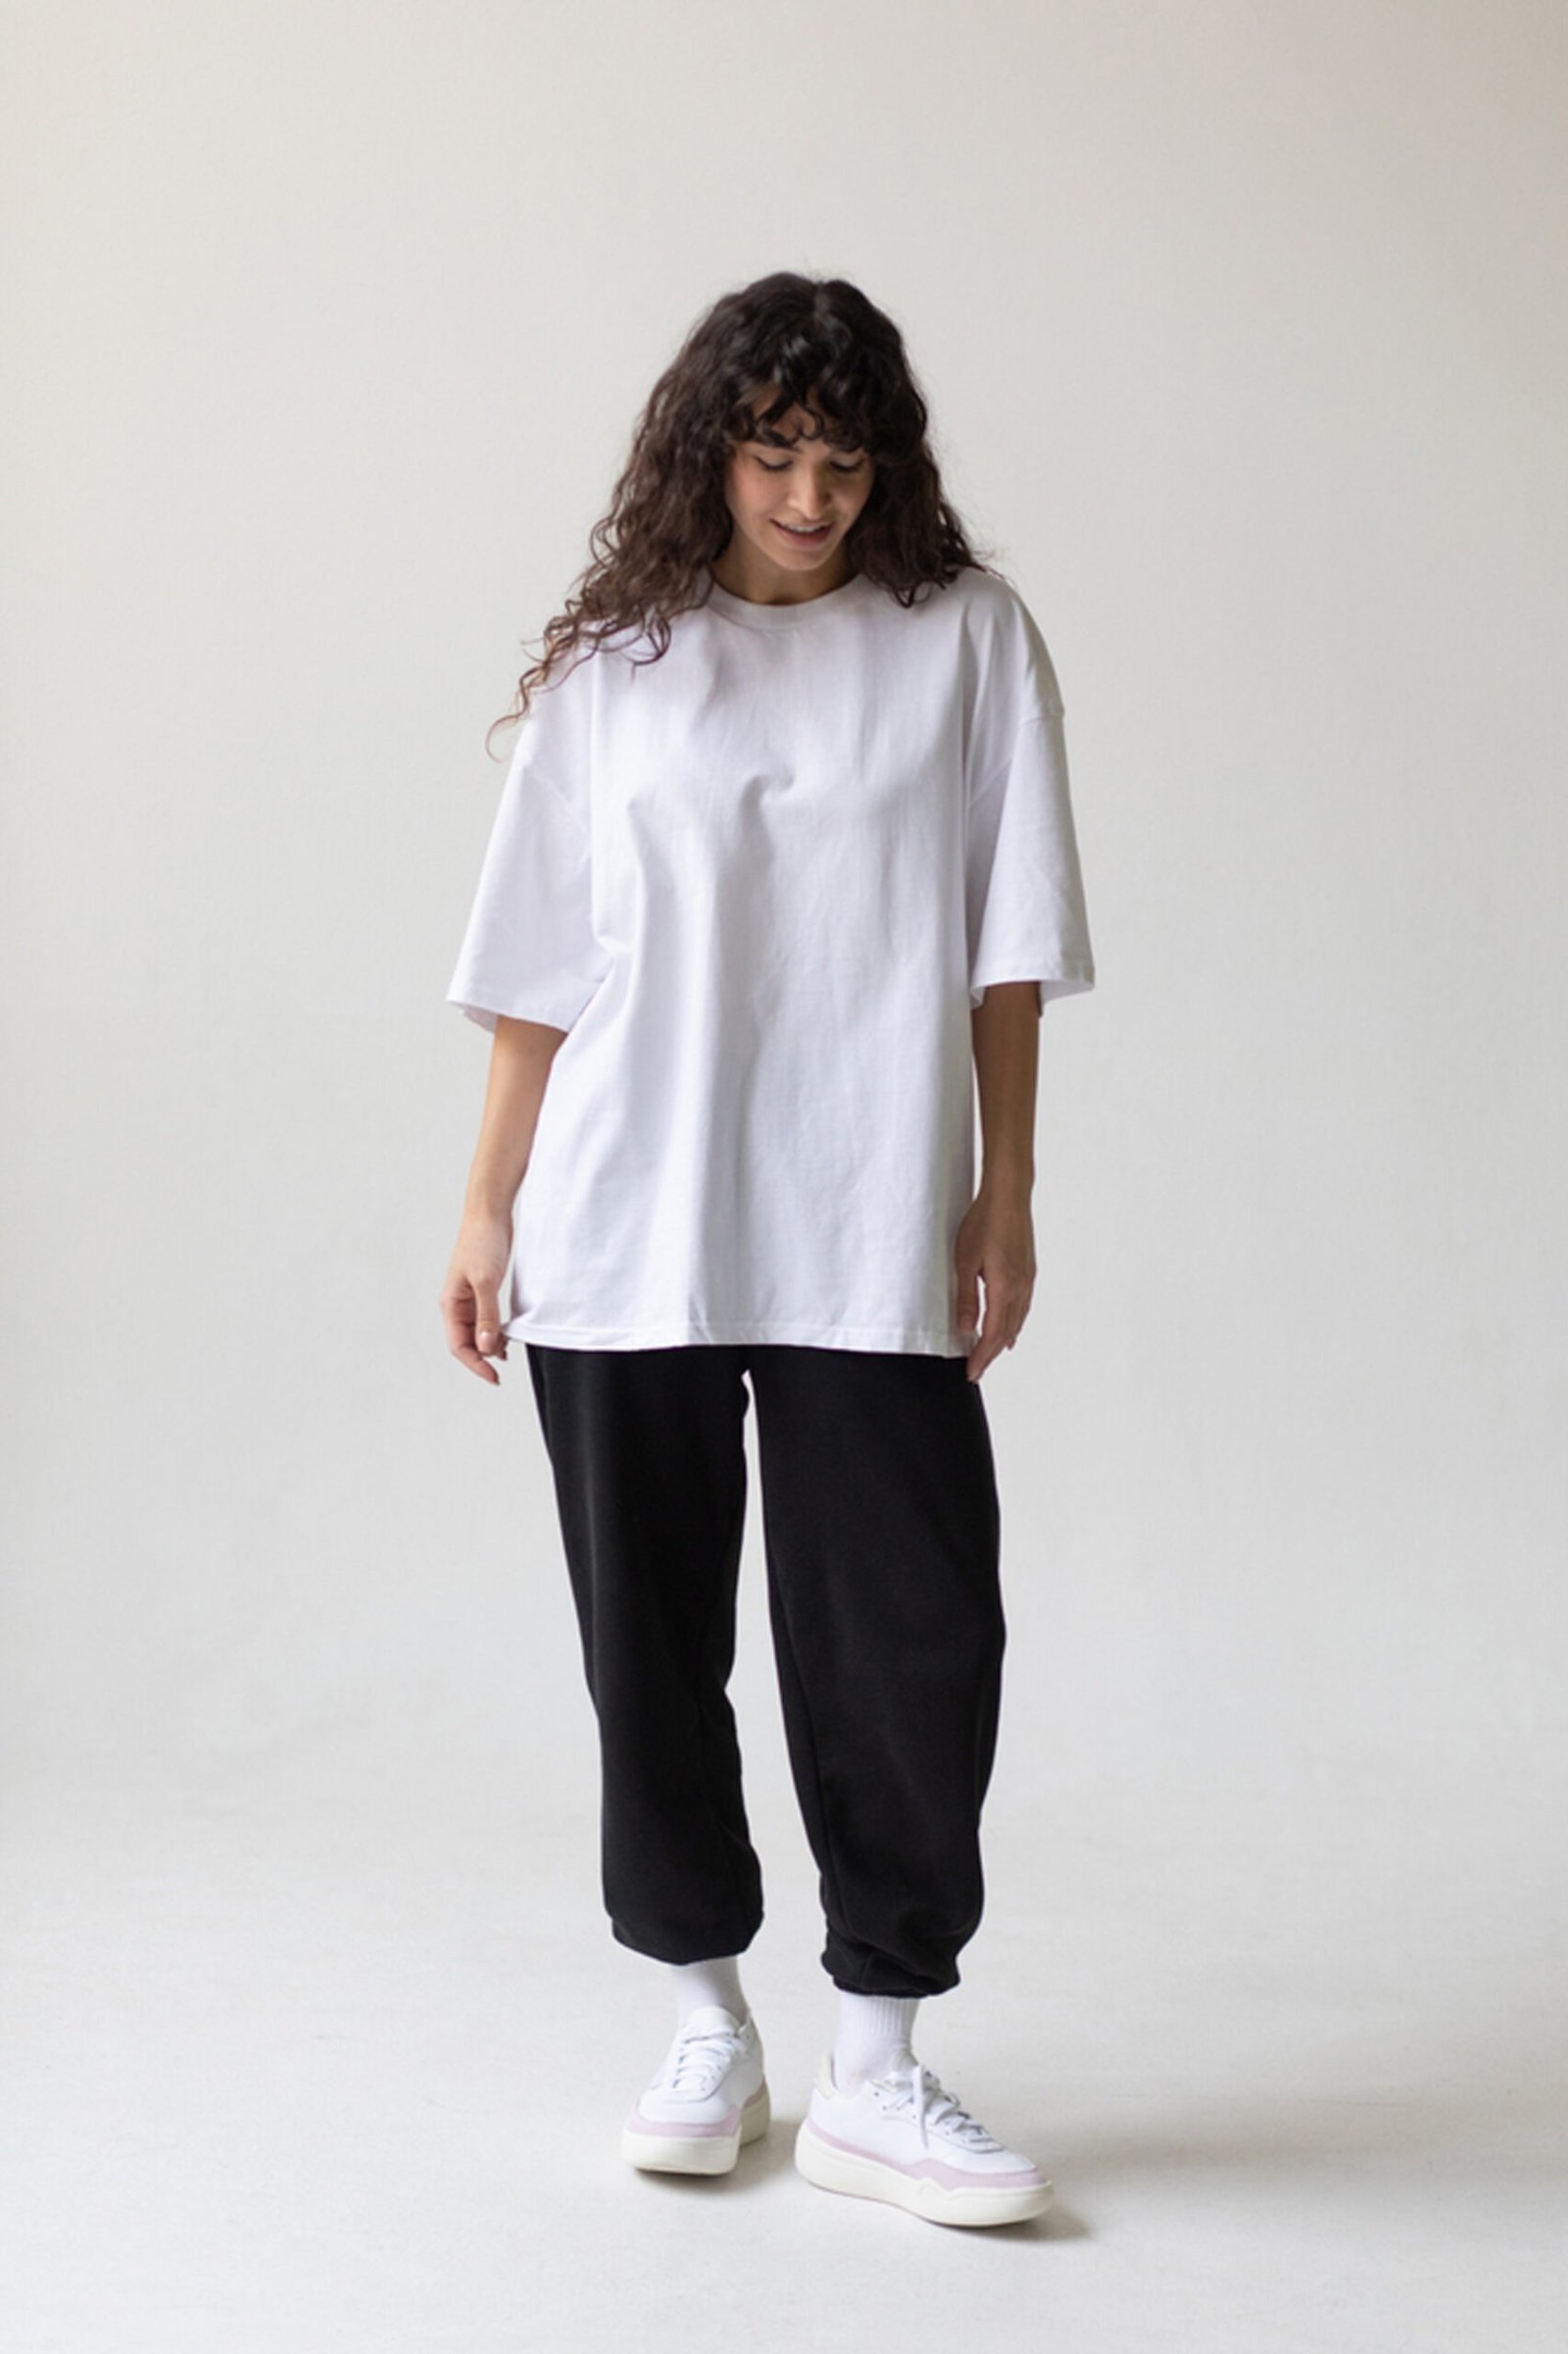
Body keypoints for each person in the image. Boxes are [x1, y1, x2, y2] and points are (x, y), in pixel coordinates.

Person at [438, 272, 1095, 2231]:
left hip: (866, 1208)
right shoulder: (617, 665)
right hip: (624, 1212)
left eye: (844, 458)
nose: (811, 495)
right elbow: (538, 969)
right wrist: (485, 1200)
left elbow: (1005, 946)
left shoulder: (964, 640)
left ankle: (876, 2066)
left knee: (910, 1636)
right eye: (773, 453)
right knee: (649, 1641)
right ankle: (703, 2020)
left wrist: (1002, 1188)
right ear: (707, 452)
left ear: (888, 463)